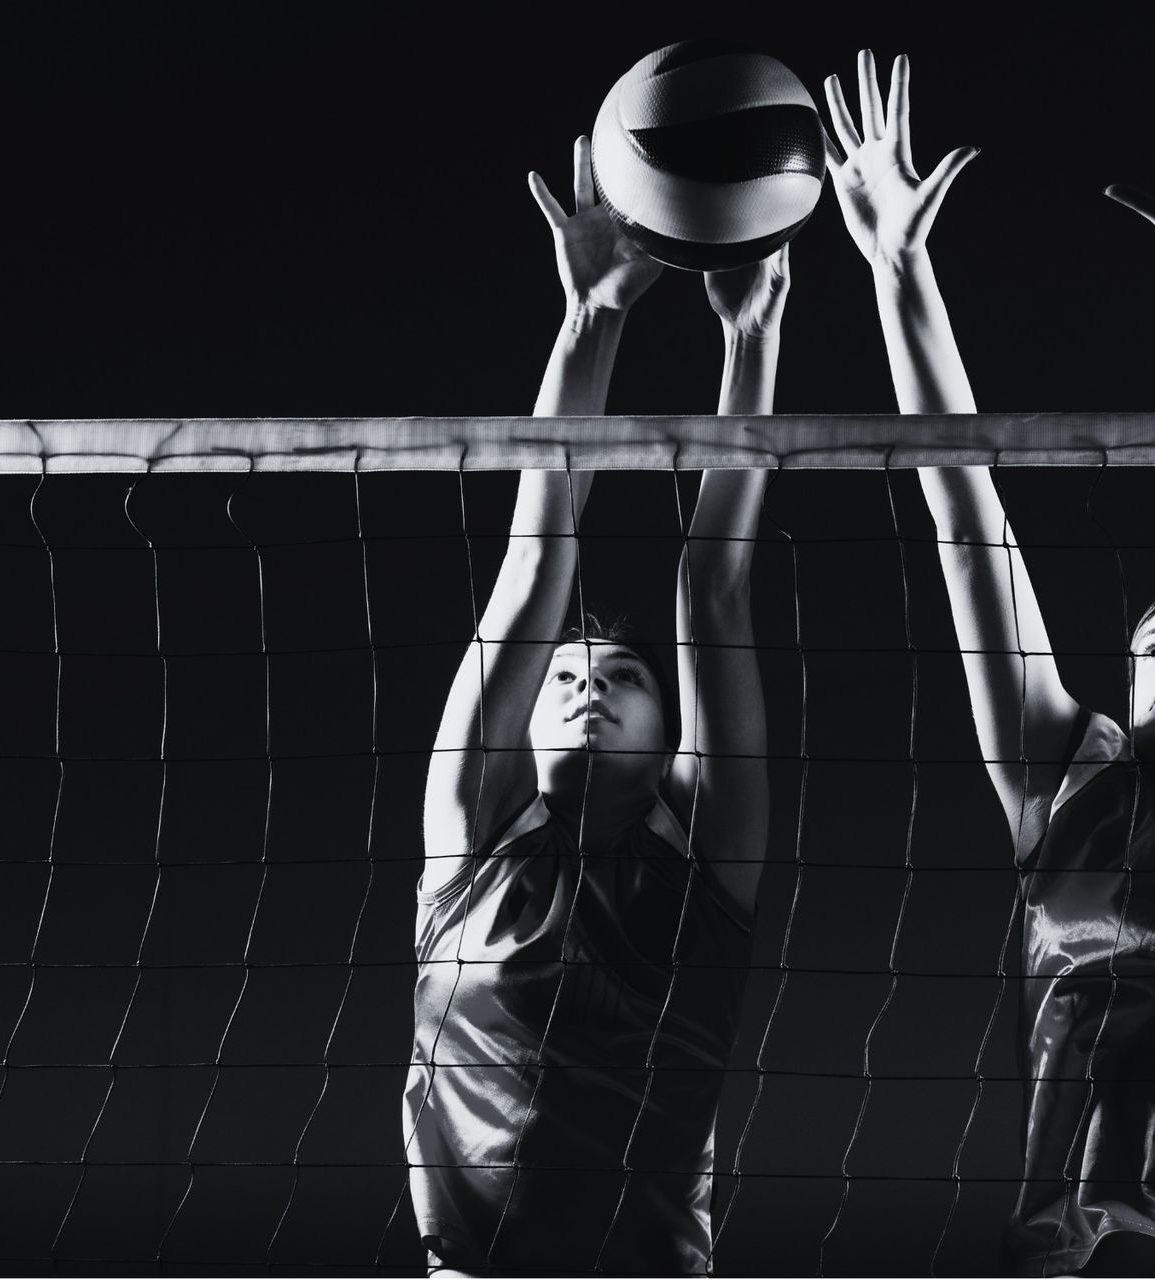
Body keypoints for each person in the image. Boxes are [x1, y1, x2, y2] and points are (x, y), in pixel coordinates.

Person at [820, 52, 1155, 1277]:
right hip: (1065, 1262)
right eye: (1152, 652)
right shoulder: (1066, 789)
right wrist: (896, 269)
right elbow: (968, 528)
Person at [401, 134, 782, 1275]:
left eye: (622, 676)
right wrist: (595, 315)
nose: (587, 683)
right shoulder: (470, 830)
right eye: (565, 676)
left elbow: (711, 587)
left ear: (670, 736)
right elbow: (536, 561)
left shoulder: (706, 852)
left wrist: (750, 333)